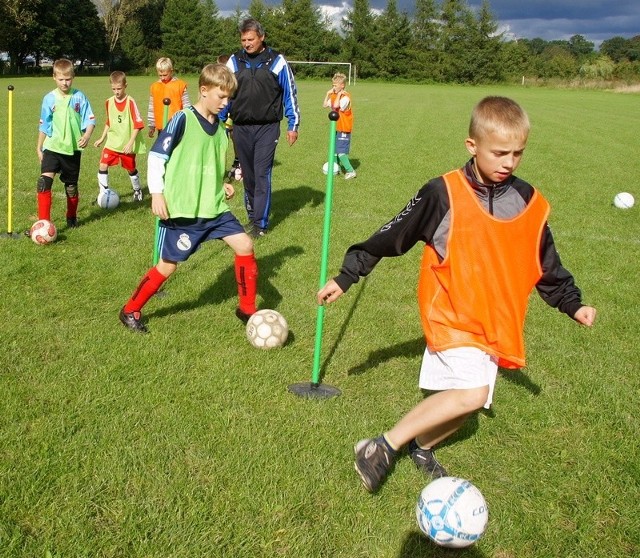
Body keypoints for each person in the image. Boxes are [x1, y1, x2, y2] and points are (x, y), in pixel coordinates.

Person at [317, 96, 597, 493]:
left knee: (469, 406)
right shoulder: (443, 193)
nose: (509, 162)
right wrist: (347, 276)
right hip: (448, 311)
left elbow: (546, 264)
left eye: (518, 153)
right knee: (472, 393)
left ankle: (422, 446)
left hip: (494, 321)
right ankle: (380, 446)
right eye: (500, 152)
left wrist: (573, 304)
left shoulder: (530, 203)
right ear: (472, 146)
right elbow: (392, 235)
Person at [119, 63, 258, 333]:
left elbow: (209, 164)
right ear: (204, 90)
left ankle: (247, 309)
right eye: (222, 96)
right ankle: (130, 310)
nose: (225, 103)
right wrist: (157, 193)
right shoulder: (183, 119)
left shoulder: (220, 131)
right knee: (167, 267)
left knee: (245, 245)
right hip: (184, 210)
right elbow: (158, 157)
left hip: (214, 208)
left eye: (229, 98)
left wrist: (222, 185)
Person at [220, 18, 301, 239]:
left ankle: (260, 225)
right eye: (243, 39)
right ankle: (252, 216)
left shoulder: (277, 61)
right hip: (241, 127)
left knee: (262, 173)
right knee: (248, 175)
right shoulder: (234, 61)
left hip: (268, 127)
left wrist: (293, 124)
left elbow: (290, 94)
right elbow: (224, 93)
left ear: (262, 37)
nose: (247, 43)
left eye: (251, 39)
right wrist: (217, 119)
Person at [35, 58, 96, 228]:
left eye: (68, 79)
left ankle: (71, 217)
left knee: (71, 187)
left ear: (73, 77)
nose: (64, 83)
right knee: (44, 183)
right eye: (61, 79)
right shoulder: (49, 98)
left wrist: (87, 136)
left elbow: (90, 119)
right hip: (52, 147)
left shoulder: (79, 97)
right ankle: (43, 223)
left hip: (72, 149)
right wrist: (39, 147)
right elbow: (44, 124)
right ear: (54, 77)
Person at [93, 71, 146, 202]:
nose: (116, 92)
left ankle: (137, 190)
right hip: (112, 142)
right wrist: (102, 138)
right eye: (114, 89)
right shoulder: (108, 102)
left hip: (126, 143)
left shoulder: (130, 102)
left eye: (119, 88)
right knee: (103, 165)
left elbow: (138, 124)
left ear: (125, 85)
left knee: (131, 168)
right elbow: (109, 121)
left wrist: (130, 142)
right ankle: (103, 193)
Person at [323, 72, 356, 179]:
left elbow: (337, 105)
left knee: (341, 151)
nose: (333, 87)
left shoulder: (345, 97)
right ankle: (335, 169)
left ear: (342, 85)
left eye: (335, 85)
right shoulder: (333, 95)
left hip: (344, 128)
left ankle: (351, 171)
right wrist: (328, 94)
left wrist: (338, 94)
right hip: (336, 127)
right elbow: (325, 105)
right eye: (332, 85)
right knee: (334, 151)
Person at [147, 57, 191, 138]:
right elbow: (151, 107)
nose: (162, 78)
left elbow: (187, 106)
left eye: (165, 75)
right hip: (161, 127)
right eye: (160, 75)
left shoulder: (180, 85)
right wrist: (151, 125)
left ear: (171, 71)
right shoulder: (155, 87)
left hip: (176, 126)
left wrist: (186, 121)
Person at [217, 54, 242, 181]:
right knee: (221, 144)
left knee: (235, 139)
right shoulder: (217, 81)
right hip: (221, 118)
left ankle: (238, 164)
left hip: (232, 116)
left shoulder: (234, 81)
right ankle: (219, 169)